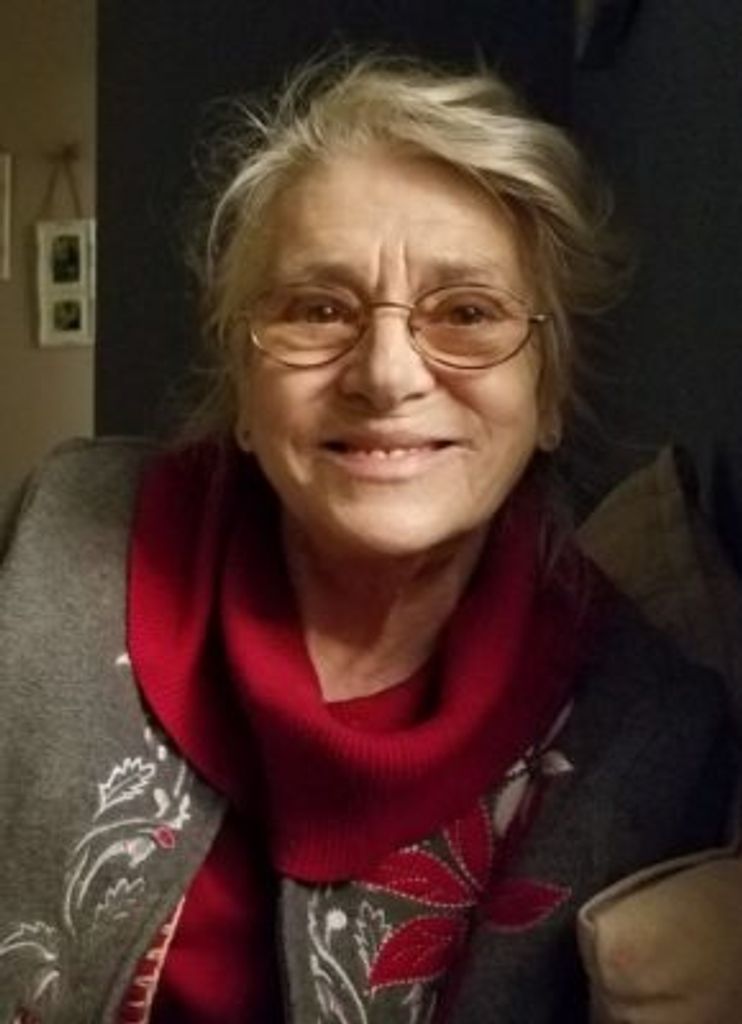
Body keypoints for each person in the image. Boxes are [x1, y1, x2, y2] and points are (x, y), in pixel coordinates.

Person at [0, 57, 735, 1023]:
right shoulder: (56, 537)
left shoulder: (647, 731)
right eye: (318, 309)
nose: (387, 375)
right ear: (245, 392)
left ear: (548, 394)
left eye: (467, 313)